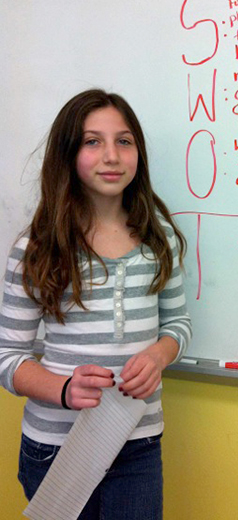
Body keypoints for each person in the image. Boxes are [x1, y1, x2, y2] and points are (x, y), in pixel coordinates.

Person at [0, 89, 192, 519]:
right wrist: (63, 389)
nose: (111, 156)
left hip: (137, 442)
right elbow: (6, 355)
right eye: (92, 141)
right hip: (56, 446)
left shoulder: (158, 237)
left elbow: (178, 323)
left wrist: (159, 355)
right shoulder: (38, 248)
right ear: (67, 154)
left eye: (124, 141)